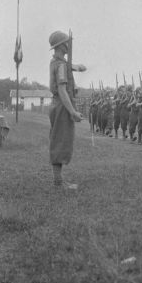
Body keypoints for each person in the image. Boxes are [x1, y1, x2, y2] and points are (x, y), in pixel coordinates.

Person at [48, 30, 86, 190]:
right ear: (62, 45)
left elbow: (71, 67)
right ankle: (58, 181)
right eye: (68, 43)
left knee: (60, 140)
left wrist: (77, 68)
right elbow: (62, 91)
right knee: (61, 141)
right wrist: (72, 112)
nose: (69, 45)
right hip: (62, 106)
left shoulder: (57, 62)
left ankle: (58, 179)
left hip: (57, 104)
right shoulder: (62, 65)